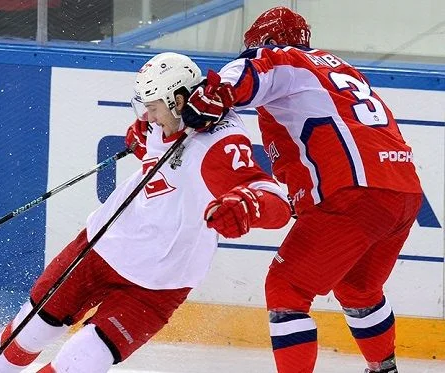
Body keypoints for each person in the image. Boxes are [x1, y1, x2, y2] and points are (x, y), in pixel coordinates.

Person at [0, 52, 292, 373]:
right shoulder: (160, 122)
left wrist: (247, 206)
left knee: (81, 360)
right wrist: (145, 137)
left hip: (159, 282)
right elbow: (157, 142)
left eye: (154, 106)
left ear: (178, 99)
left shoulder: (217, 146)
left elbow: (277, 204)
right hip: (101, 248)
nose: (147, 115)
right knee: (31, 329)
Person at [181, 7, 423, 373]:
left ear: (266, 42)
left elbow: (252, 70)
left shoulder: (282, 58)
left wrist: (215, 93)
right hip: (403, 193)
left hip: (353, 194)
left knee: (286, 290)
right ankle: (384, 370)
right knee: (358, 289)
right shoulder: (337, 68)